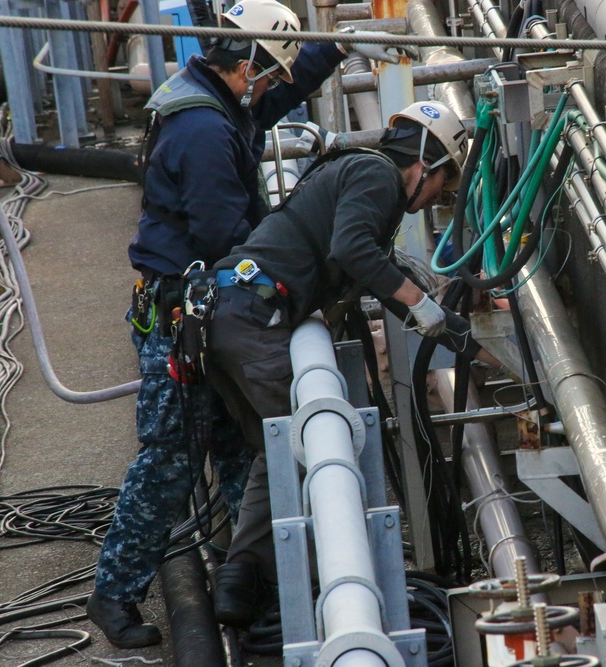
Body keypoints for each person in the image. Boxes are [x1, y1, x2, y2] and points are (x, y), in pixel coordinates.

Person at [88, 0, 417, 648]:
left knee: (248, 446)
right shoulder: (206, 132)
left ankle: (256, 590)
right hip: (177, 308)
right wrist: (290, 257)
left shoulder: (216, 99)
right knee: (172, 459)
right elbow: (224, 237)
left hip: (202, 304)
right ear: (247, 64)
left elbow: (270, 99)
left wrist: (334, 49)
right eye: (267, 75)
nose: (269, 90)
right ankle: (115, 591)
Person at [200, 100, 492, 627]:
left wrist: (441, 296)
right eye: (441, 186)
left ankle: (242, 587)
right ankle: (302, 593)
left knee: (278, 454)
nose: (432, 201)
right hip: (253, 317)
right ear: (424, 164)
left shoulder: (356, 172)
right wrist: (421, 307)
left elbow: (364, 258)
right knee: (305, 447)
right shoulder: (377, 175)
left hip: (231, 313)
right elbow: (354, 250)